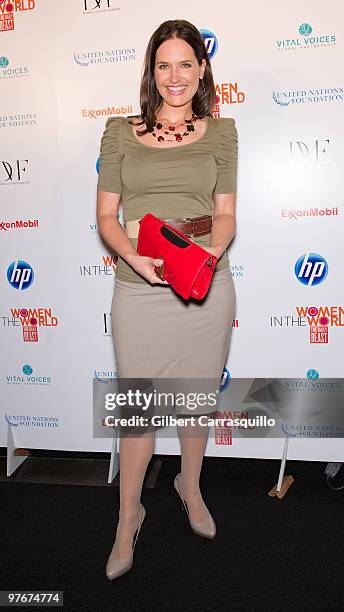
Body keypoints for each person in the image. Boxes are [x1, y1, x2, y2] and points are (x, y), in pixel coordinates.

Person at [96, 19, 238, 580]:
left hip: (205, 283)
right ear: (150, 72)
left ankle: (189, 484)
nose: (174, 76)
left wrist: (207, 255)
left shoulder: (223, 133)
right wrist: (134, 257)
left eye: (185, 63)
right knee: (139, 411)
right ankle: (128, 516)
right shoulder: (118, 131)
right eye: (163, 65)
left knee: (197, 398)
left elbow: (225, 212)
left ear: (202, 68)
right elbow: (108, 216)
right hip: (140, 285)